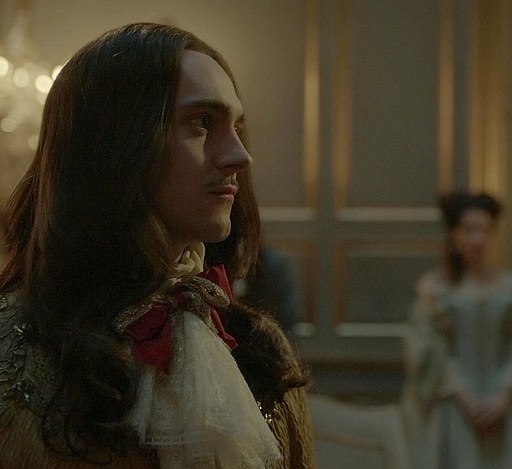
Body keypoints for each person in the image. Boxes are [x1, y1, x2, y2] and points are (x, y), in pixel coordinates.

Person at [0, 23, 315, 467]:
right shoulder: (15, 355)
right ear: (117, 145)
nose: (240, 156)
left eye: (237, 126)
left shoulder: (260, 347)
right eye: (203, 122)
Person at [403, 191, 512, 469]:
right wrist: (463, 397)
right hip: (451, 407)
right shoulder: (435, 290)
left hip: (503, 407)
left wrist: (502, 397)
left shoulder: (510, 287)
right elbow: (426, 349)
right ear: (454, 235)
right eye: (469, 230)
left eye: (485, 230)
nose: (478, 239)